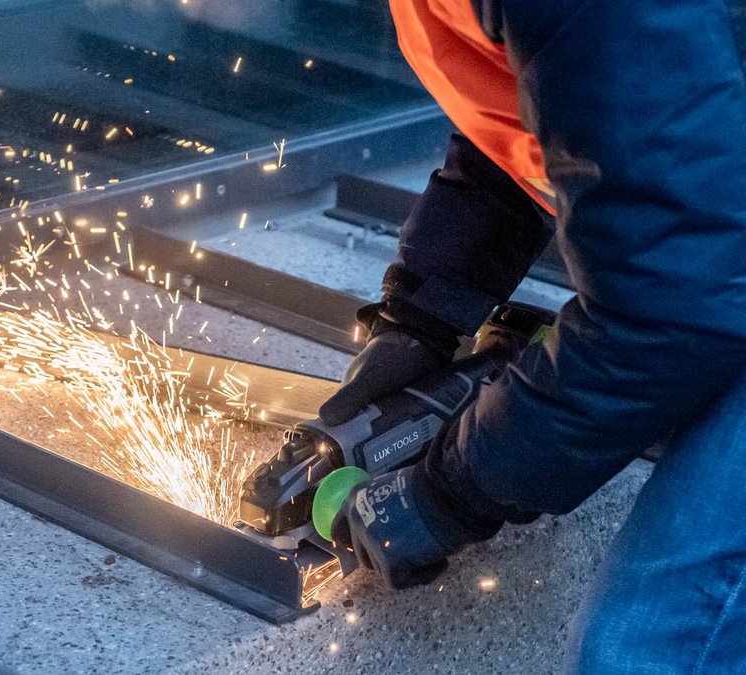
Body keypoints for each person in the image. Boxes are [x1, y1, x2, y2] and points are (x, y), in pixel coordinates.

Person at [320, 1, 746, 670]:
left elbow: (675, 305)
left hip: (704, 286)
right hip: (712, 261)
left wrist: (456, 488)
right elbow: (571, 103)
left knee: (647, 648)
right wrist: (424, 314)